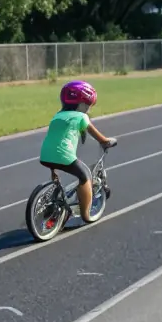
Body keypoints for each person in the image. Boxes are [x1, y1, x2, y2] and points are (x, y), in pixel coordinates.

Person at [39, 81, 116, 223]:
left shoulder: (57, 116)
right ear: (81, 104)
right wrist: (107, 142)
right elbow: (99, 137)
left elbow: (57, 137)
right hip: (63, 155)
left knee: (56, 161)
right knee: (85, 176)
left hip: (45, 155)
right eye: (88, 106)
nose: (88, 109)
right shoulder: (82, 117)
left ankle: (55, 193)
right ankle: (86, 214)